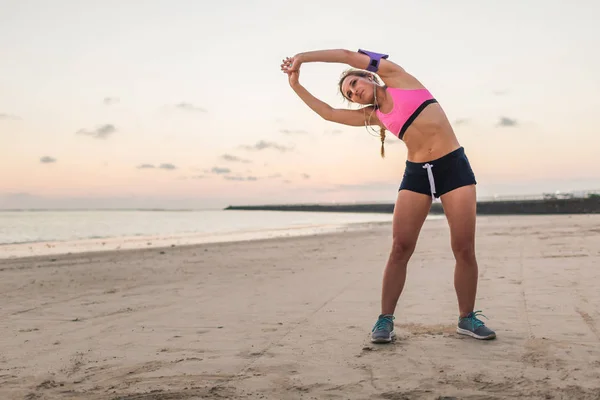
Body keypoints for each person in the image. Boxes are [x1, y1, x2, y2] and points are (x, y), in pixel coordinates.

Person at [280, 49, 496, 343]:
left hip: (453, 168)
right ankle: (385, 320)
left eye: (354, 84)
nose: (354, 92)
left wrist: (302, 58)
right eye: (350, 94)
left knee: (463, 247)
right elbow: (328, 113)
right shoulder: (375, 116)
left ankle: (466, 318)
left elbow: (345, 55)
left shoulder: (397, 78)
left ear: (367, 75)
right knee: (400, 247)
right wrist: (295, 86)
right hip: (417, 174)